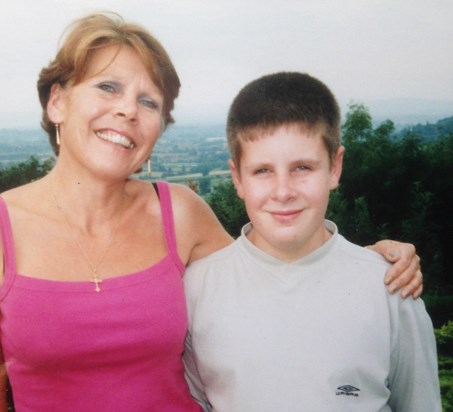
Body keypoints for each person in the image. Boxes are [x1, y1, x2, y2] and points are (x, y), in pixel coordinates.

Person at [0, 13, 423, 411]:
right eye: (108, 87)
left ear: (158, 128)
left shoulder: (180, 213)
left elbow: (268, 276)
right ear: (57, 102)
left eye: (148, 101)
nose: (128, 111)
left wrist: (370, 262)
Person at [183, 72, 441, 411]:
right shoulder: (196, 289)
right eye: (262, 171)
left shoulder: (391, 287)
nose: (283, 191)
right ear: (237, 179)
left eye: (302, 167)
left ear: (334, 168)